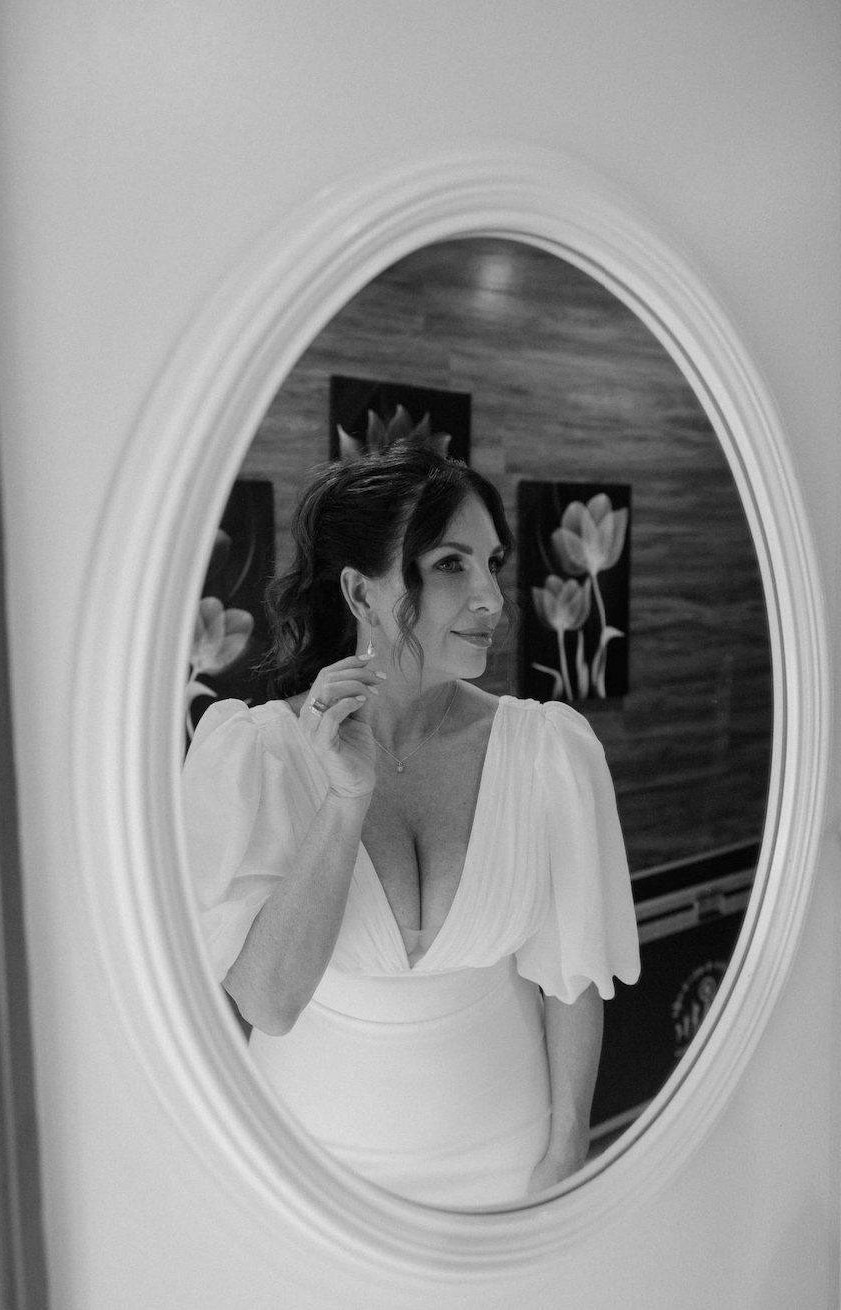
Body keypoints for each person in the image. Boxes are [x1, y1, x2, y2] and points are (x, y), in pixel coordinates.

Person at [181, 443, 640, 1207]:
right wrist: (345, 799)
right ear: (362, 594)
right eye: (452, 565)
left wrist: (565, 1154)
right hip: (307, 1165)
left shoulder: (545, 751)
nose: (492, 598)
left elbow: (572, 980)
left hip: (510, 1151)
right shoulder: (257, 754)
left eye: (492, 563)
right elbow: (268, 1001)